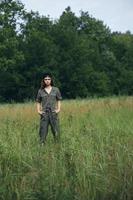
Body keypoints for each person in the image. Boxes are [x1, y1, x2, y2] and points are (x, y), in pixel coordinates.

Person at [36, 73, 62, 145]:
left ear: (51, 80)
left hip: (53, 113)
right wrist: (39, 111)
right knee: (43, 131)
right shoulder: (40, 91)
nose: (47, 81)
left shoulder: (56, 90)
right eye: (46, 79)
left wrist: (58, 109)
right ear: (43, 81)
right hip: (44, 114)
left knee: (56, 130)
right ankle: (42, 145)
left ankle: (57, 146)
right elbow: (38, 101)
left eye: (49, 79)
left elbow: (59, 99)